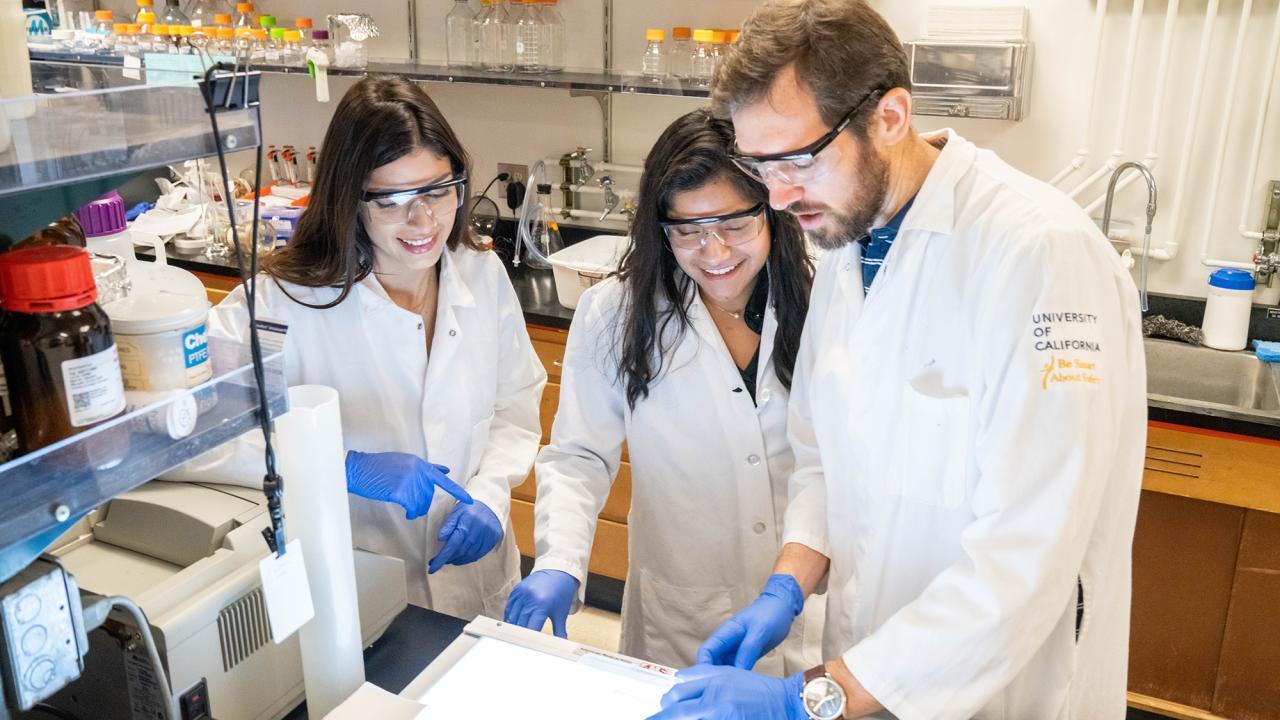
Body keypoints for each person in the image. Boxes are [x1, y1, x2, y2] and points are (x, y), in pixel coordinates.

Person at [652, 2, 1146, 719]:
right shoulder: (850, 244)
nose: (779, 195)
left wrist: (807, 699)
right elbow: (822, 455)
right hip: (870, 662)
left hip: (1003, 687)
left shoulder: (1038, 254)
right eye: (759, 164)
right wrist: (787, 586)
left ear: (888, 116)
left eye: (796, 158)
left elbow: (1027, 553)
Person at [208, 76, 546, 619]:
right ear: (350, 200)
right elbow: (193, 434)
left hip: (477, 579)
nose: (424, 221)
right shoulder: (280, 305)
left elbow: (515, 404)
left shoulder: (481, 275)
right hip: (354, 593)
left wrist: (491, 495)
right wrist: (340, 465)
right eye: (392, 200)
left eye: (438, 190)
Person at [503, 109, 824, 675]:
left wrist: (788, 589)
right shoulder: (616, 313)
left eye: (734, 225)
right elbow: (580, 455)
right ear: (660, 228)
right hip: (684, 616)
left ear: (772, 209)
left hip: (809, 608)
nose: (716, 253)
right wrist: (559, 562)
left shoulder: (827, 297)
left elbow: (837, 465)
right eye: (689, 231)